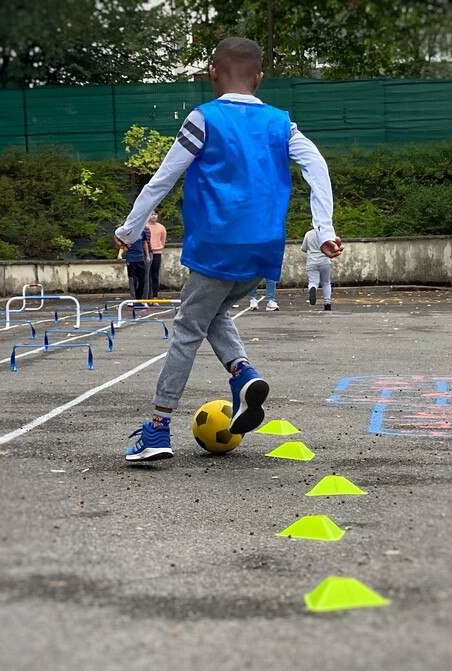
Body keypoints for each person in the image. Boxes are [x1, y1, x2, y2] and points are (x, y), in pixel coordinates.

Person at [114, 37, 342, 462]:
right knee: (214, 311)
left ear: (212, 73)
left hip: (216, 244)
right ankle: (242, 375)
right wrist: (324, 227)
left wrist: (129, 229)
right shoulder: (281, 123)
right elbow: (316, 164)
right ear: (258, 77)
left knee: (186, 328)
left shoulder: (204, 118)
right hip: (263, 250)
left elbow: (163, 179)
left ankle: (159, 428)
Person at [116, 220, 151, 300]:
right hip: (131, 259)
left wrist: (147, 256)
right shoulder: (128, 234)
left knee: (142, 279)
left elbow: (145, 243)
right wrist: (120, 255)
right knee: (132, 279)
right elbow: (123, 246)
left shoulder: (142, 232)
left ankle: (139, 298)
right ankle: (133, 298)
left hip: (140, 257)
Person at [300, 228, 333, 310]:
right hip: (324, 261)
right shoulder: (327, 234)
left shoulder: (308, 234)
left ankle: (313, 288)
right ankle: (327, 303)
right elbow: (332, 247)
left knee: (313, 281)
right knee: (326, 282)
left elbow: (303, 248)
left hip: (312, 261)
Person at [147, 210, 167, 298]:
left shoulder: (161, 227)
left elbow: (163, 240)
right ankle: (147, 296)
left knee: (155, 275)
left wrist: (160, 247)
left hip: (157, 253)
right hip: (147, 253)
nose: (153, 216)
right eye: (151, 214)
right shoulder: (145, 227)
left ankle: (155, 296)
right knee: (147, 276)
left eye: (155, 214)